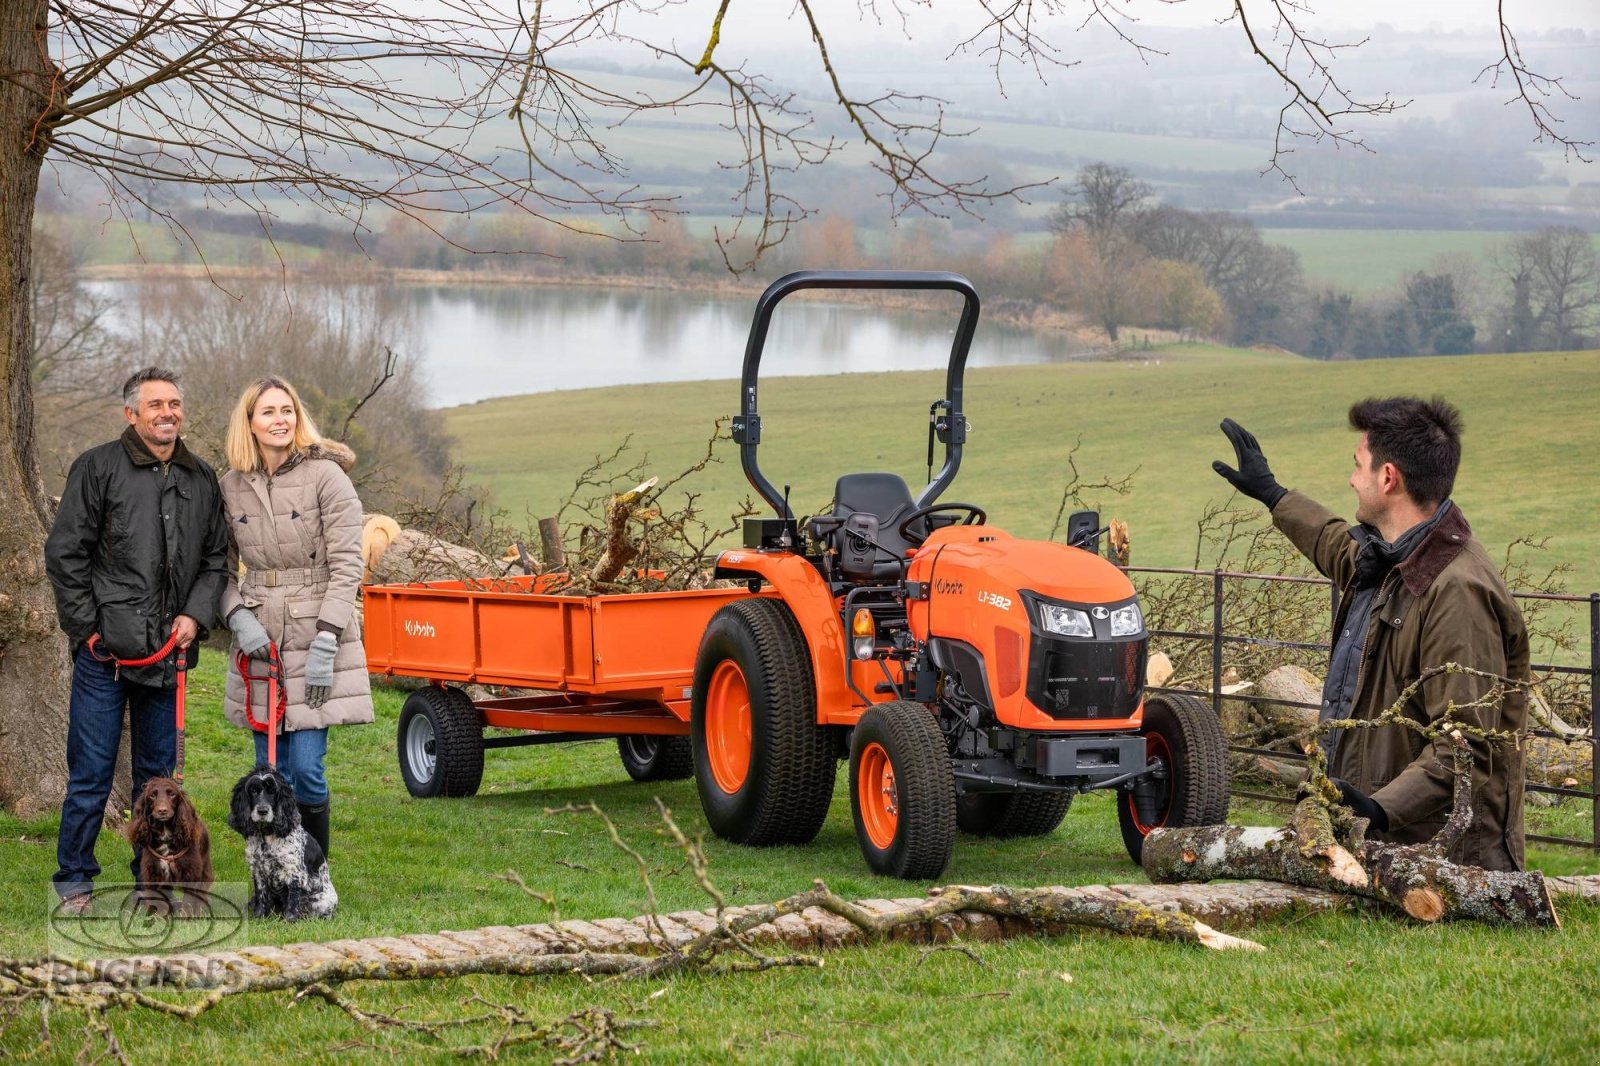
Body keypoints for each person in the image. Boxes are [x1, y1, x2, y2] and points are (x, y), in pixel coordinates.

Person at [1212, 398, 1529, 871]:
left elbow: (1466, 748)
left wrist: (1377, 809)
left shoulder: (1457, 594)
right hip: (1381, 846)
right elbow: (1334, 543)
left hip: (1444, 862)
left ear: (1388, 478)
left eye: (1358, 466)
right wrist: (1273, 494)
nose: (1352, 479)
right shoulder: (1388, 560)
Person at [45, 367, 229, 913]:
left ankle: (149, 885)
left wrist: (195, 616)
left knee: (157, 785)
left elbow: (217, 559)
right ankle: (75, 880)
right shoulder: (97, 468)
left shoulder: (202, 478)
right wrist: (88, 630)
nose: (167, 413)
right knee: (91, 776)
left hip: (168, 658)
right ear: (132, 414)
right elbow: (65, 554)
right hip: (105, 659)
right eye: (155, 405)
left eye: (174, 403)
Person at [219, 377, 373, 862]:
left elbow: (349, 563)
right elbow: (215, 568)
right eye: (268, 412)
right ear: (249, 423)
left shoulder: (327, 477)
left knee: (305, 768)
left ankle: (314, 873)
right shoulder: (229, 486)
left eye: (287, 409)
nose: (280, 419)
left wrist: (328, 637)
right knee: (269, 766)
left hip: (316, 631)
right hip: (260, 632)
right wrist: (237, 616)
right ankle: (273, 874)